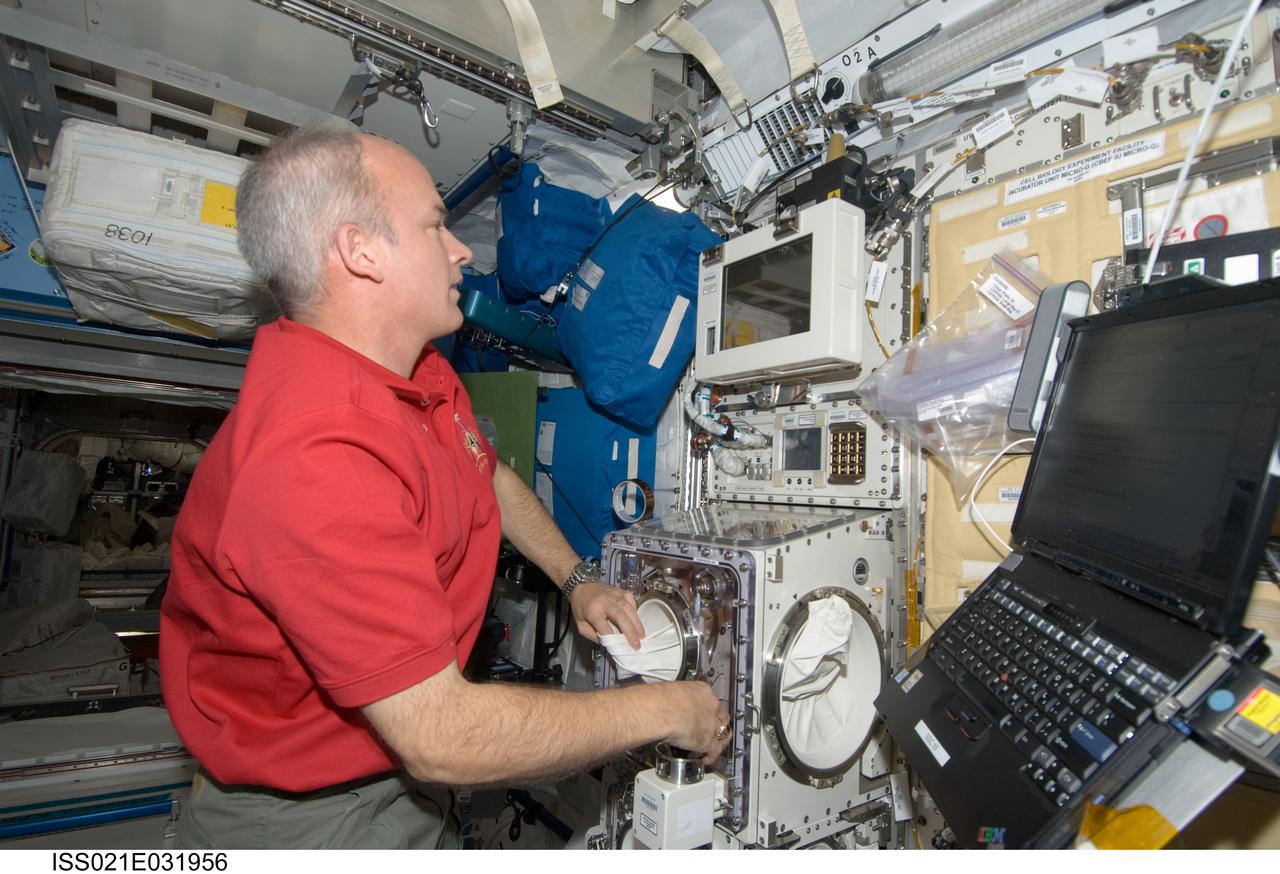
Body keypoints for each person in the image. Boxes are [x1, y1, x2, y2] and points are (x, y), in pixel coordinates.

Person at [158, 122, 729, 849]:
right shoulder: (313, 459)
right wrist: (670, 711)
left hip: (394, 769)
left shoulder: (407, 365)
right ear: (359, 253)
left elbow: (485, 474)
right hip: (312, 820)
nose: (460, 248)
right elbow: (442, 734)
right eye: (435, 225)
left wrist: (577, 577)